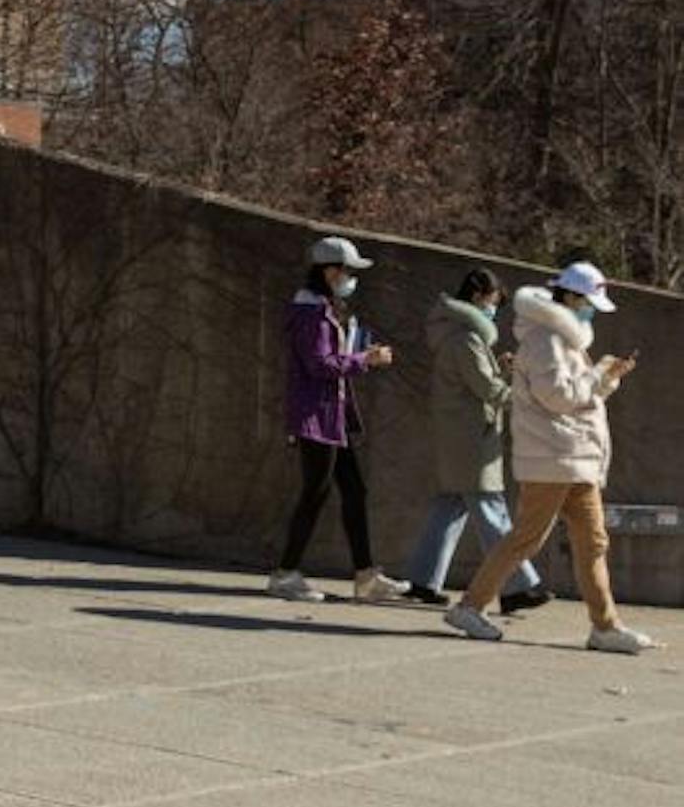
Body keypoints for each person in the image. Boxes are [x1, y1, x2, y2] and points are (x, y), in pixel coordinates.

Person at [445, 262, 658, 654]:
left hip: (571, 457)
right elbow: (558, 397)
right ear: (573, 298)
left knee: (591, 542)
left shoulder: (559, 337)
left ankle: (605, 626)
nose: (591, 310)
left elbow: (576, 396)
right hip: (553, 457)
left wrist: (607, 377)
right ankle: (470, 606)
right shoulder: (545, 339)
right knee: (529, 538)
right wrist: (598, 375)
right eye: (589, 302)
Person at [269, 235, 411, 603]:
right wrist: (367, 360)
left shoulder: (323, 310)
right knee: (315, 492)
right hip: (316, 415)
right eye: (347, 271)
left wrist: (360, 355)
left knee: (353, 490)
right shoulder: (311, 313)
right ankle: (285, 573)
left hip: (331, 416)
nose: (350, 278)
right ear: (330, 271)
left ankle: (365, 575)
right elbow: (321, 365)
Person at [402, 268, 551, 611]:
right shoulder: (466, 339)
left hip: (460, 434)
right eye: (495, 301)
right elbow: (487, 390)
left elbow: (474, 383)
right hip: (472, 438)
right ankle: (517, 587)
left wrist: (500, 369)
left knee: (449, 507)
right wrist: (526, 392)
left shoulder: (458, 334)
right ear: (479, 295)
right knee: (491, 510)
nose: (495, 309)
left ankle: (424, 581)